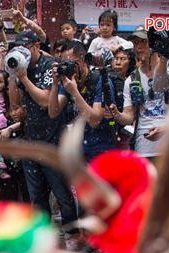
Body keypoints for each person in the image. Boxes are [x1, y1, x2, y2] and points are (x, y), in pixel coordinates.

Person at [8, 30, 80, 228]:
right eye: (17, 49)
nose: (21, 53)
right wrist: (13, 76)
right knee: (36, 198)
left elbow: (45, 101)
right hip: (31, 140)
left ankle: (72, 235)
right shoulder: (21, 68)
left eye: (25, 48)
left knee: (62, 194)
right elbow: (15, 107)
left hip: (53, 141)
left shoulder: (50, 66)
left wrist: (24, 79)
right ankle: (43, 237)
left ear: (36, 46)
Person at [109, 27, 169, 161]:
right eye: (136, 43)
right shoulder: (131, 79)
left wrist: (166, 128)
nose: (139, 47)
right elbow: (129, 116)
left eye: (144, 42)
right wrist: (117, 115)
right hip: (143, 148)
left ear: (154, 44)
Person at [48, 40, 116, 161]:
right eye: (64, 63)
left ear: (84, 60)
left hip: (100, 151)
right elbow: (53, 112)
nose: (69, 68)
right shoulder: (68, 82)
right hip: (77, 151)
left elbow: (94, 120)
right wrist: (54, 84)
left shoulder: (100, 80)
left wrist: (74, 92)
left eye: (72, 63)